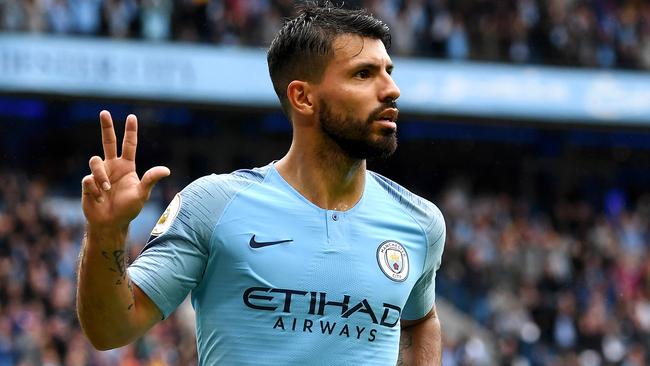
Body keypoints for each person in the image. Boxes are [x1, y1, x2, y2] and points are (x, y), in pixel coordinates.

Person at [76, 2, 446, 365]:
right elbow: (110, 330)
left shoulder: (419, 222)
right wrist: (106, 233)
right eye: (363, 74)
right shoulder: (214, 206)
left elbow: (420, 320)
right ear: (302, 97)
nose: (392, 89)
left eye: (388, 70)